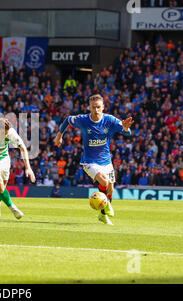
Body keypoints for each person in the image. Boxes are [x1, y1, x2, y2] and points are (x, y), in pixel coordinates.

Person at [54, 94, 133, 225]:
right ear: (89, 108)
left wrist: (125, 128)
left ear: (103, 107)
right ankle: (107, 206)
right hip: (89, 161)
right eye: (93, 107)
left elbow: (127, 133)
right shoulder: (83, 120)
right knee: (104, 181)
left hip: (106, 161)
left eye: (98, 107)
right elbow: (68, 119)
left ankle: (103, 215)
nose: (96, 110)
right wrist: (59, 136)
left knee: (110, 189)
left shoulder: (110, 120)